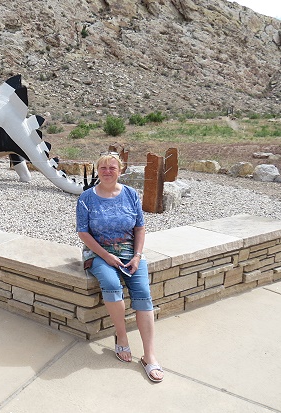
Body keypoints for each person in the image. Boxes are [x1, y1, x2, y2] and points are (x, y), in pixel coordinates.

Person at [76, 152, 164, 383]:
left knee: (143, 295)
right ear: (97, 170)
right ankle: (122, 337)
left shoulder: (131, 194)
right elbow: (83, 232)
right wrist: (106, 256)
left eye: (112, 168)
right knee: (112, 285)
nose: (107, 171)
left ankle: (149, 355)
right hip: (98, 253)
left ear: (120, 170)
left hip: (129, 253)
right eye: (103, 168)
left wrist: (137, 256)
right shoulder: (86, 198)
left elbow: (140, 228)